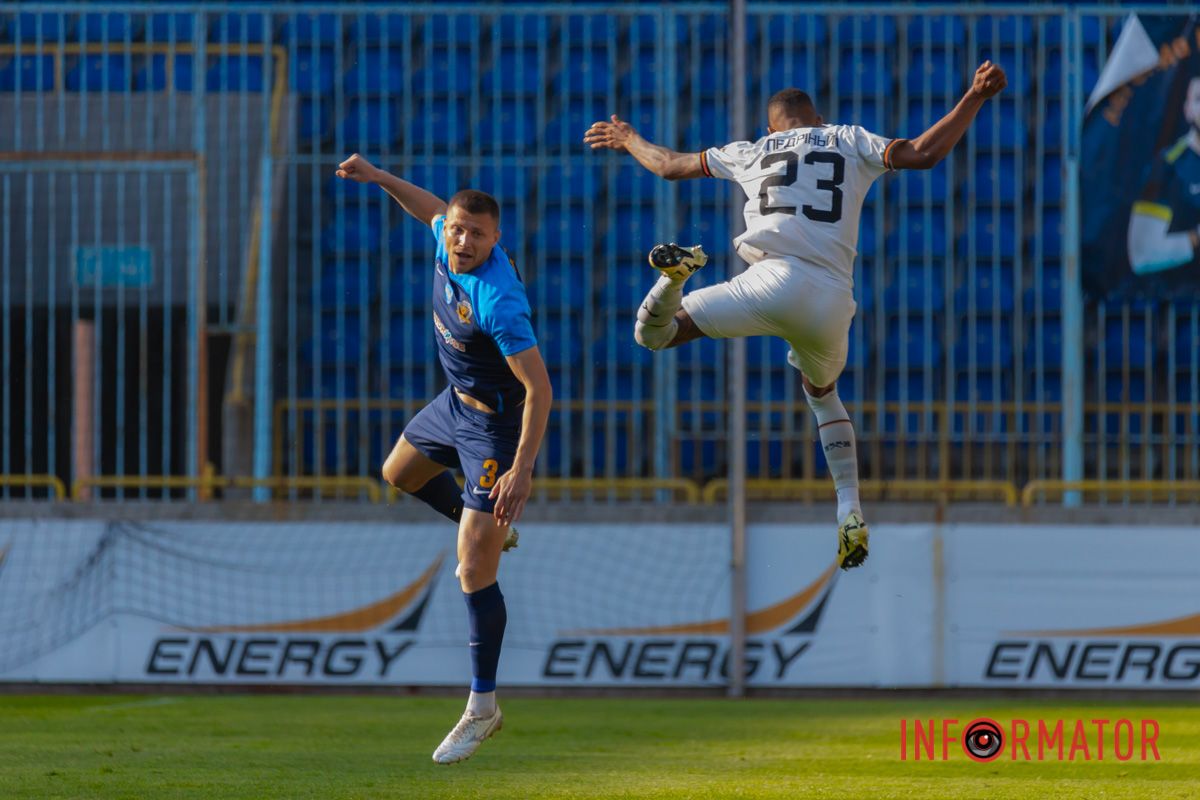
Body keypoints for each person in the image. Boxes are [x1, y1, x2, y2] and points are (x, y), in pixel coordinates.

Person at [584, 61, 1008, 570]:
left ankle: (675, 277)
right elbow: (923, 153)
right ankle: (849, 509)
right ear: (818, 119)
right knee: (822, 395)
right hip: (829, 299)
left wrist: (629, 138)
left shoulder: (751, 150)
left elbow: (670, 166)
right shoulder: (848, 138)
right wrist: (974, 95)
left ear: (770, 129)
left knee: (655, 335)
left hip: (766, 281)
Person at [335, 154, 552, 763]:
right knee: (398, 472)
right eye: (458, 229)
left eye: (477, 234)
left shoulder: (498, 300)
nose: (462, 240)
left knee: (471, 570)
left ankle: (482, 708)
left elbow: (540, 389)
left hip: (494, 429)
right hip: (453, 404)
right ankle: (482, 525)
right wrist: (380, 177)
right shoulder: (444, 236)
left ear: (495, 239)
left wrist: (521, 469)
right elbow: (427, 208)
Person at [1127, 75, 1200, 275]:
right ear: (1187, 110)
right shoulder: (1167, 166)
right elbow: (1142, 255)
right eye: (1199, 99)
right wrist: (1195, 238)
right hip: (1180, 290)